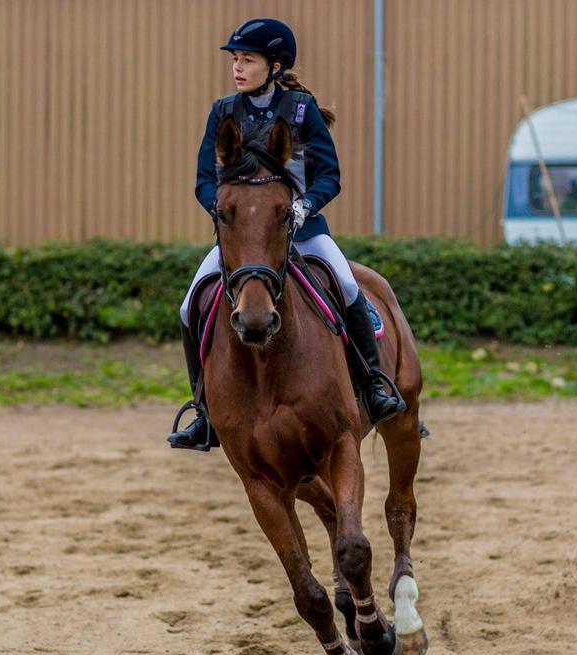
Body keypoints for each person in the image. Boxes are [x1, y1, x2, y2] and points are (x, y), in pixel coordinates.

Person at [168, 18, 404, 451]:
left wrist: (304, 206)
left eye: (248, 60)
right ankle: (203, 413)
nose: (238, 68)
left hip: (303, 230)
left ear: (274, 66)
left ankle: (374, 386)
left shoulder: (299, 109)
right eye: (235, 60)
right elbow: (204, 179)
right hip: (244, 239)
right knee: (188, 307)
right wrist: (229, 216)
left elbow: (329, 176)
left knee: (350, 285)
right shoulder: (223, 111)